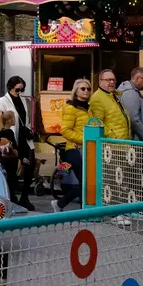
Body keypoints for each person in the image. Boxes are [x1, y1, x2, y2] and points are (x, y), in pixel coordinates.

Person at [0, 76, 37, 210]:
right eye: (17, 89)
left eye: (22, 89)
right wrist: (3, 137)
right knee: (12, 169)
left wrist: (29, 130)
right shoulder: (2, 100)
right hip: (11, 138)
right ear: (11, 87)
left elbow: (25, 119)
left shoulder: (23, 100)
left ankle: (24, 197)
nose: (19, 91)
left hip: (25, 138)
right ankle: (12, 198)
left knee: (31, 165)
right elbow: (0, 119)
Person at [57, 78, 92, 210]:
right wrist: (84, 139)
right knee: (85, 181)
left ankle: (61, 203)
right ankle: (85, 211)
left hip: (89, 148)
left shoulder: (90, 108)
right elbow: (65, 130)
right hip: (74, 149)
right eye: (83, 89)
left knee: (87, 181)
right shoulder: (71, 107)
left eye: (88, 89)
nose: (86, 91)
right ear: (76, 91)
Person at [88, 69, 130, 140]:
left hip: (123, 142)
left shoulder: (115, 95)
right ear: (100, 81)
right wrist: (113, 137)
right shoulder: (97, 98)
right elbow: (97, 123)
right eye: (109, 80)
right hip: (111, 144)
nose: (112, 82)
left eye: (114, 80)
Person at [118, 67, 143, 142]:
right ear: (137, 78)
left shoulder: (131, 92)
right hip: (137, 141)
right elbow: (133, 119)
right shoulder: (130, 93)